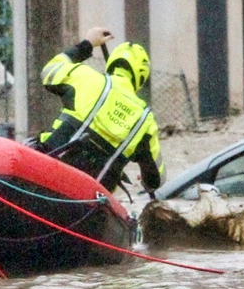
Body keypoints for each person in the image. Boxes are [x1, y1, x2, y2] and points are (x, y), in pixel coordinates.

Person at [34, 27, 164, 195]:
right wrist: (146, 178)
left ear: (112, 64)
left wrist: (87, 44)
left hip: (42, 177)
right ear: (141, 78)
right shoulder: (145, 120)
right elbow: (156, 179)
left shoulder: (86, 77)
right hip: (87, 204)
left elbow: (49, 71)